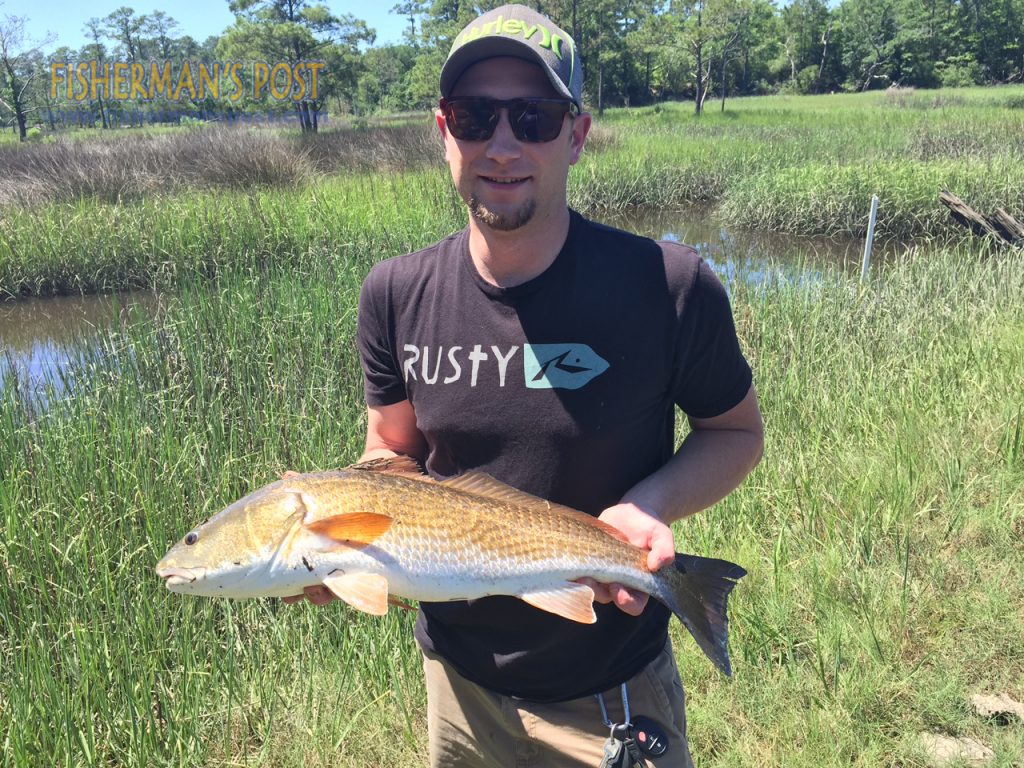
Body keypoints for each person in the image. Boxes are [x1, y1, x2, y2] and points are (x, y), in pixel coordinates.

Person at [286, 5, 763, 766]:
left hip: (609, 687)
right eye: (476, 116)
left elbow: (736, 432)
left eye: (534, 117)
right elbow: (390, 451)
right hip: (459, 687)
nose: (502, 145)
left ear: (576, 134)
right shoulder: (394, 292)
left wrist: (648, 505)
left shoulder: (669, 285)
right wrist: (331, 541)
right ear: (444, 131)